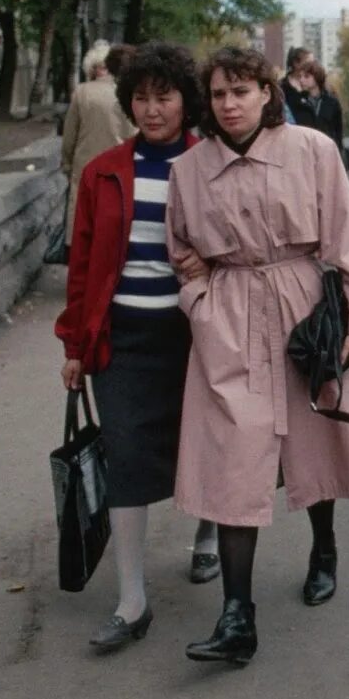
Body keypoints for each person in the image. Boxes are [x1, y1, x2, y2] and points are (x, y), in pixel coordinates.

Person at [165, 47, 349, 666]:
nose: (230, 104)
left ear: (268, 92)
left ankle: (323, 548)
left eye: (242, 90)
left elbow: (347, 236)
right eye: (218, 94)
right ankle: (238, 617)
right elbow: (180, 244)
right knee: (234, 459)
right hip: (229, 315)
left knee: (313, 440)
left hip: (301, 309)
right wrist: (200, 295)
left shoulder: (311, 150)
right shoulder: (189, 169)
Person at [55, 42, 221, 652]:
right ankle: (132, 601)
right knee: (125, 459)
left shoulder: (212, 164)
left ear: (185, 101)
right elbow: (81, 268)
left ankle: (207, 538)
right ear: (128, 102)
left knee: (204, 443)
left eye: (165, 96)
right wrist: (74, 344)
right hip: (122, 338)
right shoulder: (103, 172)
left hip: (194, 335)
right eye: (142, 98)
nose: (153, 110)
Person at [62, 43, 138, 247]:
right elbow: (133, 132)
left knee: (81, 220)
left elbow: (70, 135)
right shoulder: (128, 93)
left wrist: (67, 165)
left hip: (84, 165)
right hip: (119, 166)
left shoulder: (81, 93)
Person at [301, 59, 346, 159]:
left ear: (317, 78)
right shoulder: (300, 102)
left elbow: (338, 129)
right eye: (301, 76)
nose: (302, 80)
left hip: (327, 152)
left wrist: (338, 151)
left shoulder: (331, 102)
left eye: (306, 76)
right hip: (306, 154)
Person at [280, 47, 314, 124]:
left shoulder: (315, 83)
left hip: (314, 132)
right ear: (296, 63)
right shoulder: (282, 86)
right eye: (308, 63)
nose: (312, 66)